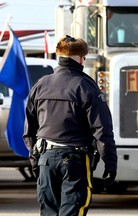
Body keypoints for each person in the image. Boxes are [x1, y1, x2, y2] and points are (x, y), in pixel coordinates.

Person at [23, 35, 118, 216]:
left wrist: (35, 159)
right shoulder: (86, 86)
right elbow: (102, 130)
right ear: (81, 58)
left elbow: (29, 128)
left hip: (46, 159)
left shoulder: (40, 85)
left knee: (48, 213)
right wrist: (110, 163)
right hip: (75, 161)